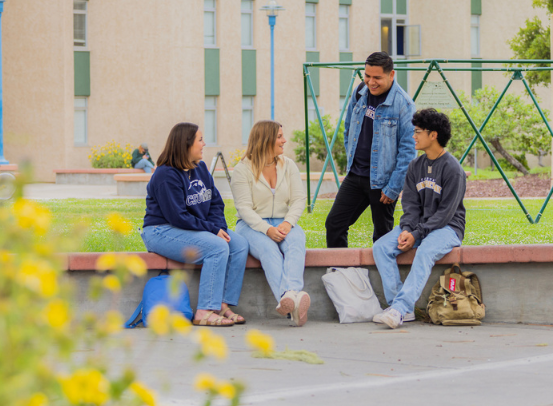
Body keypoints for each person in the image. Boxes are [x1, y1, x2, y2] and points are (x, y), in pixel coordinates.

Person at [141, 122, 249, 326]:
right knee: (217, 248)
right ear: (186, 144)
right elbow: (177, 217)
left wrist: (220, 228)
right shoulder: (166, 174)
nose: (204, 144)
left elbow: (216, 202)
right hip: (161, 231)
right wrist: (212, 231)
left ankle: (223, 304)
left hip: (196, 227)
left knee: (240, 244)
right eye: (200, 140)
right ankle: (204, 311)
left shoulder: (200, 167)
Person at [372, 108, 467, 329]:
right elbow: (411, 206)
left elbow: (445, 214)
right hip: (418, 227)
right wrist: (407, 229)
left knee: (424, 251)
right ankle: (400, 308)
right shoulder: (415, 166)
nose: (413, 136)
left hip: (448, 228)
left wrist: (417, 234)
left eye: (417, 131)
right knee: (381, 247)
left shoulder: (453, 169)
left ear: (433, 135)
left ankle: (400, 308)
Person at [325, 52, 416, 248]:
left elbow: (408, 152)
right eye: (367, 76)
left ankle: (382, 278)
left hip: (383, 183)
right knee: (334, 224)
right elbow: (348, 128)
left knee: (382, 237)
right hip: (355, 176)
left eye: (377, 78)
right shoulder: (360, 92)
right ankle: (341, 273)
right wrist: (352, 159)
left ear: (391, 75)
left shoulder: (404, 105)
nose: (371, 82)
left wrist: (393, 187)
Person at [232, 121, 311, 326]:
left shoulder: (288, 165)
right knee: (269, 249)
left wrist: (288, 222)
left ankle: (290, 296)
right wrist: (267, 229)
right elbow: (244, 209)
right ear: (265, 139)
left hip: (284, 221)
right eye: (279, 137)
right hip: (251, 225)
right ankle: (289, 297)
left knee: (296, 242)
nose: (284, 140)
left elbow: (298, 199)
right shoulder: (242, 170)